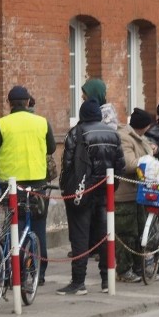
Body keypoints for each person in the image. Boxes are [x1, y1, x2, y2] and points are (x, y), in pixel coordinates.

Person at [0, 85, 56, 283]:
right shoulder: (42, 122)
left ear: (9, 104)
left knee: (13, 227)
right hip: (39, 184)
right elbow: (52, 148)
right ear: (29, 102)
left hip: (11, 186)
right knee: (38, 227)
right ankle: (39, 273)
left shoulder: (2, 124)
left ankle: (12, 269)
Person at [57, 99, 126, 295]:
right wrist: (112, 187)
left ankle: (79, 281)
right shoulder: (113, 133)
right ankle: (106, 280)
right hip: (105, 191)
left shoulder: (77, 132)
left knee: (80, 236)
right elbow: (119, 165)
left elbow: (67, 164)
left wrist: (66, 189)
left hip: (82, 191)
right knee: (104, 235)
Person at [115, 108, 155, 283]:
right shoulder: (124, 137)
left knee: (140, 232)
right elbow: (129, 164)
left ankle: (139, 268)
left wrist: (152, 149)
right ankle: (124, 270)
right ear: (144, 126)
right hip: (125, 193)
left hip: (138, 192)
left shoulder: (137, 136)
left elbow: (147, 149)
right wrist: (150, 159)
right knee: (126, 234)